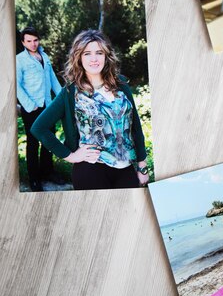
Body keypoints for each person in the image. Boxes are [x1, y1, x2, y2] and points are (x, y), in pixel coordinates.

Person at [31, 29, 149, 190]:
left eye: (99, 53)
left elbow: (136, 126)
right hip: (90, 170)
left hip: (126, 169)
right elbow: (39, 128)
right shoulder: (70, 91)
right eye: (87, 53)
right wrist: (70, 156)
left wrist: (142, 165)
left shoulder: (121, 84)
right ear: (78, 57)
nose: (94, 59)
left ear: (106, 56)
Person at [16, 26, 63, 192]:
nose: (33, 44)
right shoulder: (19, 60)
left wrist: (62, 98)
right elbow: (17, 86)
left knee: (49, 141)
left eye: (35, 40)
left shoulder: (44, 56)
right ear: (23, 42)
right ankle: (34, 179)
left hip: (48, 106)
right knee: (33, 143)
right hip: (32, 108)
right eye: (29, 41)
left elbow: (53, 79)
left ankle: (48, 172)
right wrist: (30, 105)